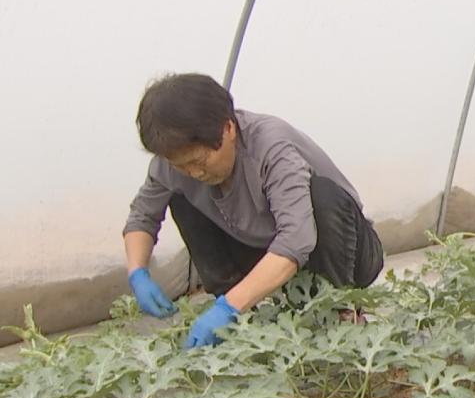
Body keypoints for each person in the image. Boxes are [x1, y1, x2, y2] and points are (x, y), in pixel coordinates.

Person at [123, 73, 383, 348]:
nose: (194, 172)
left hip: (347, 254)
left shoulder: (271, 146)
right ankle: (240, 316)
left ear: (228, 129)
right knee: (180, 197)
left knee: (322, 195)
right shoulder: (174, 164)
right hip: (267, 256)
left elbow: (296, 239)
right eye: (182, 165)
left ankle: (340, 314)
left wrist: (229, 308)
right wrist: (137, 272)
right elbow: (143, 215)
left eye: (199, 160)